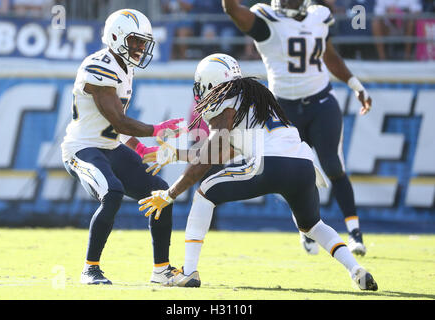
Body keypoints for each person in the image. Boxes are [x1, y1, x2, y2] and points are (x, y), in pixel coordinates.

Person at [138, 53, 378, 291]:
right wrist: (174, 154)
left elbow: (209, 156)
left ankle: (189, 272)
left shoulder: (223, 99)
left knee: (205, 193)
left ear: (211, 82)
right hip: (303, 164)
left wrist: (170, 193)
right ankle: (355, 269)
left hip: (269, 163)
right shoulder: (252, 96)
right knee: (312, 225)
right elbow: (224, 151)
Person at [221, 0, 372, 256]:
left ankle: (355, 232)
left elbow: (330, 55)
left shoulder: (319, 16)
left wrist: (355, 84)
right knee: (297, 172)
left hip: (321, 102)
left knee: (333, 166)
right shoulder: (267, 21)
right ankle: (308, 228)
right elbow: (233, 9)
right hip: (284, 108)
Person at [61, 9, 184, 285]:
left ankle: (162, 271)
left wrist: (139, 150)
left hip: (110, 146)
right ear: (116, 37)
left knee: (160, 193)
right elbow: (118, 120)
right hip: (82, 149)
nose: (141, 47)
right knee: (113, 191)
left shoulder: (124, 67)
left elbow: (115, 128)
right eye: (135, 41)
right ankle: (90, 269)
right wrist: (157, 130)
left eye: (143, 42)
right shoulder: (98, 65)